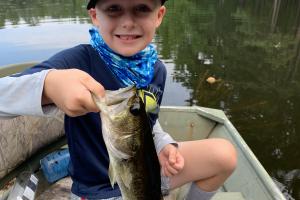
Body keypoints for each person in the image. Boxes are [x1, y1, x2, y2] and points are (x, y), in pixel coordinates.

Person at [0, 0, 237, 199]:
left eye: (142, 8)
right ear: (95, 15)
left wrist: (164, 145)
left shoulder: (155, 70)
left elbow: (146, 124)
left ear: (159, 15)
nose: (127, 21)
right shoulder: (78, 62)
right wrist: (49, 85)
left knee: (223, 155)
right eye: (114, 8)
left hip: (147, 172)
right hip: (97, 191)